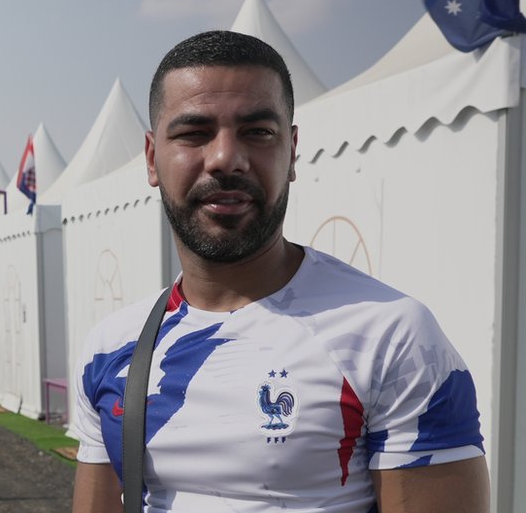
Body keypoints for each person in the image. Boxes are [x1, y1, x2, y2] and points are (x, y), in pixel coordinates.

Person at [69, 30, 490, 512]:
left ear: (292, 151)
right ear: (151, 158)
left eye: (257, 132)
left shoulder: (392, 336)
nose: (226, 158)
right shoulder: (110, 348)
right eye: (193, 133)